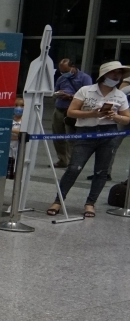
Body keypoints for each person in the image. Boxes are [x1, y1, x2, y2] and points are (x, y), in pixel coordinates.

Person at [46, 61, 130, 219]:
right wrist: (92, 114)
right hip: (86, 132)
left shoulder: (120, 95)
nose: (116, 76)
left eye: (119, 73)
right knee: (74, 168)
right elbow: (71, 112)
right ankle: (58, 200)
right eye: (113, 73)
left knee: (101, 171)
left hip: (108, 134)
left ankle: (90, 203)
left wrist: (115, 116)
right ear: (104, 75)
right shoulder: (86, 90)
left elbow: (126, 119)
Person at [52, 58, 90, 168]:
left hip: (72, 111)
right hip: (59, 109)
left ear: (73, 67)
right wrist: (57, 94)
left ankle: (73, 161)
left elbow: (87, 96)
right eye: (62, 72)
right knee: (57, 136)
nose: (64, 74)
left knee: (71, 138)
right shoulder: (61, 79)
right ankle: (62, 159)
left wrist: (70, 97)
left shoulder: (84, 78)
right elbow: (55, 91)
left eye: (66, 71)